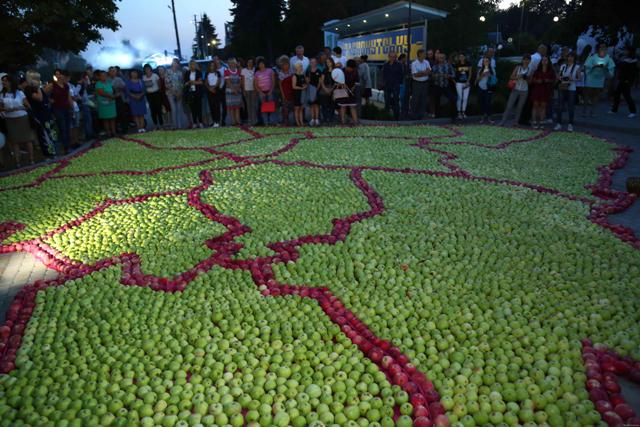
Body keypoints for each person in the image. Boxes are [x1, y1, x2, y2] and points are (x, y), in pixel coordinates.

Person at [1, 74, 35, 166]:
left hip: (22, 117)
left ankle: (31, 159)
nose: (4, 82)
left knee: (27, 139)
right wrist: (5, 110)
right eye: (3, 80)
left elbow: (28, 106)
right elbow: (1, 108)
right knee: (15, 141)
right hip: (10, 119)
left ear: (11, 82)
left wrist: (19, 107)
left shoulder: (19, 93)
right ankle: (17, 161)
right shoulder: (2, 95)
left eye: (6, 80)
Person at [24, 71, 57, 157]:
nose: (38, 80)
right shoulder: (28, 89)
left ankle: (54, 151)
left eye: (39, 78)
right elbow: (39, 98)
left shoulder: (39, 88)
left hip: (47, 114)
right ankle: (49, 154)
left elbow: (45, 100)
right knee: (44, 135)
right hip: (39, 117)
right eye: (36, 78)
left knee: (52, 134)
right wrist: (39, 88)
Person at [500, 55, 532, 126]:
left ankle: (516, 122)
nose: (526, 61)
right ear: (522, 60)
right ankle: (503, 121)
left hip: (524, 90)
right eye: (525, 59)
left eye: (528, 60)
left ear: (530, 61)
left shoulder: (530, 69)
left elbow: (530, 82)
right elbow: (511, 76)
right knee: (509, 105)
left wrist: (526, 78)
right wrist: (518, 77)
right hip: (516, 89)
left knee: (519, 107)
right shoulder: (518, 67)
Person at [583, 44, 615, 117]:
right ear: (598, 49)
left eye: (605, 48)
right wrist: (594, 66)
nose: (603, 49)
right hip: (590, 77)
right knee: (587, 94)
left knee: (596, 95)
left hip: (600, 78)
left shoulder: (608, 58)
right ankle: (584, 110)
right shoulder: (592, 56)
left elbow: (611, 69)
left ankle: (593, 111)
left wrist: (606, 68)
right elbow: (586, 66)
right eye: (601, 48)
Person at [554, 51, 581, 132]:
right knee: (560, 106)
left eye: (572, 57)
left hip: (571, 88)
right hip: (562, 87)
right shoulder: (563, 66)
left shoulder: (577, 67)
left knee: (571, 107)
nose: (570, 58)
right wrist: (559, 77)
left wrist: (572, 79)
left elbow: (579, 78)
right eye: (569, 57)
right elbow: (559, 75)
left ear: (574, 58)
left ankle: (570, 124)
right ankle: (559, 123)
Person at [50, 68, 74, 153]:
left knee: (67, 127)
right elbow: (44, 94)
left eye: (60, 74)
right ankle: (65, 147)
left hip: (66, 108)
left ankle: (67, 146)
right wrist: (50, 100)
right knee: (62, 128)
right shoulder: (52, 85)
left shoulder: (66, 85)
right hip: (57, 109)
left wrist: (72, 107)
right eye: (56, 74)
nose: (58, 75)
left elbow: (69, 97)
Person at [610, 46, 637, 118]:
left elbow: (630, 71)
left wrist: (629, 80)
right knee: (617, 94)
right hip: (622, 79)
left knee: (627, 96)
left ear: (629, 51)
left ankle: (633, 111)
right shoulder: (627, 59)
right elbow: (619, 65)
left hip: (627, 80)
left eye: (626, 50)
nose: (624, 51)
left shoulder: (632, 60)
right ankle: (614, 110)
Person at [529, 56, 556, 129]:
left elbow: (554, 80)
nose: (544, 61)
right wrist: (537, 81)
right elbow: (532, 80)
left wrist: (548, 80)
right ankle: (534, 121)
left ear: (548, 61)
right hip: (537, 89)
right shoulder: (537, 71)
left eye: (546, 60)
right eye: (543, 60)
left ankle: (541, 121)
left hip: (546, 90)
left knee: (543, 106)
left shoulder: (551, 71)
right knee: (535, 106)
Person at [430, 52, 457, 122]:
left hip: (446, 86)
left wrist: (449, 76)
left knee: (453, 99)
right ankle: (437, 117)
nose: (440, 59)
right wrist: (434, 76)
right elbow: (431, 76)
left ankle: (453, 116)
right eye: (439, 58)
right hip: (437, 85)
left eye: (442, 57)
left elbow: (454, 74)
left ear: (444, 58)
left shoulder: (448, 66)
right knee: (437, 101)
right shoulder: (435, 66)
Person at [336, 59, 359, 125]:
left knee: (352, 107)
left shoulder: (355, 71)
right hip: (343, 91)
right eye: (350, 68)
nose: (350, 70)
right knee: (343, 106)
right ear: (347, 66)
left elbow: (356, 83)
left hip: (352, 92)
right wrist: (342, 84)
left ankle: (355, 122)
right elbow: (338, 82)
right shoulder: (342, 71)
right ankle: (342, 122)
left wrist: (352, 89)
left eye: (352, 68)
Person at [254, 57, 276, 125]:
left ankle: (272, 121)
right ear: (258, 65)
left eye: (262, 64)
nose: (261, 65)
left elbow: (273, 81)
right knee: (264, 108)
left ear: (264, 64)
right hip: (261, 92)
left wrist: (271, 90)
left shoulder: (270, 71)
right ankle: (266, 122)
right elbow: (256, 85)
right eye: (260, 64)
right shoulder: (256, 73)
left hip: (270, 91)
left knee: (271, 107)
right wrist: (260, 92)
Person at [381, 52, 404, 120]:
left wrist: (398, 82)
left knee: (396, 102)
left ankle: (396, 117)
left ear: (396, 57)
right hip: (387, 85)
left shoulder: (399, 65)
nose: (392, 58)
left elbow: (401, 74)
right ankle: (386, 116)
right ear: (388, 57)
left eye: (394, 57)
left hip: (395, 85)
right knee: (387, 101)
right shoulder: (385, 65)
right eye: (391, 56)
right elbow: (383, 74)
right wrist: (383, 83)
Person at [95, 70, 117, 137]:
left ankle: (114, 132)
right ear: (99, 77)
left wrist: (114, 95)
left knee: (112, 118)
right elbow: (101, 93)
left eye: (105, 75)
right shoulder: (98, 84)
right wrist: (111, 96)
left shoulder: (109, 82)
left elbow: (113, 90)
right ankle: (108, 133)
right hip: (103, 104)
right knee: (106, 119)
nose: (104, 77)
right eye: (102, 75)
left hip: (111, 103)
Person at [410, 49, 431, 120]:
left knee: (423, 99)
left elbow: (429, 72)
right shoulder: (414, 63)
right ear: (419, 54)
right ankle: (413, 115)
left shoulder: (427, 62)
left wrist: (421, 73)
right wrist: (424, 72)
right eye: (424, 54)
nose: (425, 55)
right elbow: (415, 75)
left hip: (425, 83)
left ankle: (421, 115)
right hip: (417, 84)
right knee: (415, 99)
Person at [165, 59, 185, 129]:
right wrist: (174, 92)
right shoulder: (168, 71)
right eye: (174, 63)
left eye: (176, 63)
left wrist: (180, 92)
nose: (175, 64)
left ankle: (179, 126)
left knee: (179, 109)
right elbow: (167, 83)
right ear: (172, 63)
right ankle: (174, 126)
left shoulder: (180, 72)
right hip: (170, 93)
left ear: (178, 64)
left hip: (179, 93)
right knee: (173, 109)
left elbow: (182, 83)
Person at [476, 57, 496, 123]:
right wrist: (482, 75)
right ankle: (482, 118)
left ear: (489, 62)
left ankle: (489, 118)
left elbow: (494, 80)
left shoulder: (492, 69)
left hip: (488, 88)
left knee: (488, 103)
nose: (485, 62)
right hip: (480, 87)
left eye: (487, 61)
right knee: (481, 103)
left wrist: (489, 75)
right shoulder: (480, 69)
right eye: (484, 61)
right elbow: (477, 80)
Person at [108, 66, 128, 134]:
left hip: (119, 98)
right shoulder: (107, 80)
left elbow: (124, 87)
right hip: (111, 98)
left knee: (122, 114)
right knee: (113, 115)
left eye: (114, 71)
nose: (112, 72)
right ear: (109, 72)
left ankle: (124, 129)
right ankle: (115, 130)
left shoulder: (119, 79)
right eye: (111, 71)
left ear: (116, 72)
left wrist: (117, 88)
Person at [143, 64, 163, 130]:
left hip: (156, 93)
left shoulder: (155, 75)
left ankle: (161, 125)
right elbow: (144, 86)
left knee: (159, 110)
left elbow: (159, 84)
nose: (147, 70)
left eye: (148, 68)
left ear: (150, 69)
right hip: (149, 94)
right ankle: (155, 125)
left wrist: (159, 92)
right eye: (146, 69)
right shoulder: (144, 77)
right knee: (152, 110)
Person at [185, 61, 204, 128]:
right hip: (190, 93)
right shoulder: (187, 73)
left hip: (198, 92)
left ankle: (201, 122)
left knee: (199, 108)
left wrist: (192, 82)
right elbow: (186, 83)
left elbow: (200, 82)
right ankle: (195, 123)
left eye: (194, 64)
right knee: (193, 109)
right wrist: (191, 82)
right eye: (191, 64)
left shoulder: (198, 72)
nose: (193, 66)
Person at [224, 58, 243, 126]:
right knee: (231, 107)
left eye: (233, 63)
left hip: (238, 91)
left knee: (237, 107)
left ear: (235, 63)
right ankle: (233, 121)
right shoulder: (226, 71)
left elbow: (240, 81)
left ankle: (238, 120)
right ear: (228, 64)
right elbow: (228, 82)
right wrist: (233, 90)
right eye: (230, 63)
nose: (232, 64)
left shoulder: (238, 71)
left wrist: (237, 89)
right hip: (230, 91)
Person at [75, 72, 94, 140]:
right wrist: (80, 98)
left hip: (85, 104)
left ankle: (89, 133)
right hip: (84, 105)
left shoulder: (82, 87)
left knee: (88, 120)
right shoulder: (79, 85)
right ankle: (88, 134)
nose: (86, 81)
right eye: (85, 79)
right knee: (87, 120)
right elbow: (75, 93)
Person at [454, 53, 473, 119]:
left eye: (462, 56)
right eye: (460, 56)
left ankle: (463, 112)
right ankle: (459, 112)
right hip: (459, 83)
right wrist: (455, 82)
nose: (461, 58)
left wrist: (468, 82)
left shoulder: (468, 63)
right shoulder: (457, 64)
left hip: (466, 82)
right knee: (460, 97)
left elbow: (470, 73)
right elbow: (454, 74)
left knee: (465, 98)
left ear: (464, 57)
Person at [319, 57, 337, 123]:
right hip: (325, 89)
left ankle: (331, 119)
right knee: (324, 106)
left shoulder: (335, 70)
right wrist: (326, 89)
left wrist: (331, 89)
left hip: (333, 90)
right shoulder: (324, 70)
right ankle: (325, 119)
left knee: (332, 106)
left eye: (329, 62)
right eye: (326, 62)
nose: (328, 63)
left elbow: (336, 82)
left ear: (332, 62)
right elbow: (321, 81)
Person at [278, 56, 294, 125]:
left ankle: (293, 120)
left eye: (287, 64)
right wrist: (283, 95)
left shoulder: (292, 72)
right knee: (285, 108)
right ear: (281, 65)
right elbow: (280, 86)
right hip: (284, 92)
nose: (286, 66)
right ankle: (285, 121)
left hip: (292, 91)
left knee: (293, 107)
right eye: (284, 64)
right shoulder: (280, 74)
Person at [241, 58, 257, 125]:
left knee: (254, 105)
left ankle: (255, 120)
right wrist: (244, 90)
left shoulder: (255, 70)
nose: (250, 63)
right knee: (248, 105)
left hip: (254, 89)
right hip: (247, 89)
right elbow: (242, 81)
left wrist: (256, 90)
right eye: (248, 62)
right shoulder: (243, 70)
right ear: (246, 63)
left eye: (251, 62)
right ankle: (250, 120)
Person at [291, 62, 308, 127]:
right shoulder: (294, 76)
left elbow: (305, 83)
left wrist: (305, 85)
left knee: (301, 108)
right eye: (300, 66)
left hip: (303, 94)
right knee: (297, 108)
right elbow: (294, 86)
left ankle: (301, 122)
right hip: (297, 94)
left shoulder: (302, 75)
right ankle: (297, 122)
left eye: (301, 66)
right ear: (297, 68)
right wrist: (302, 88)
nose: (301, 67)